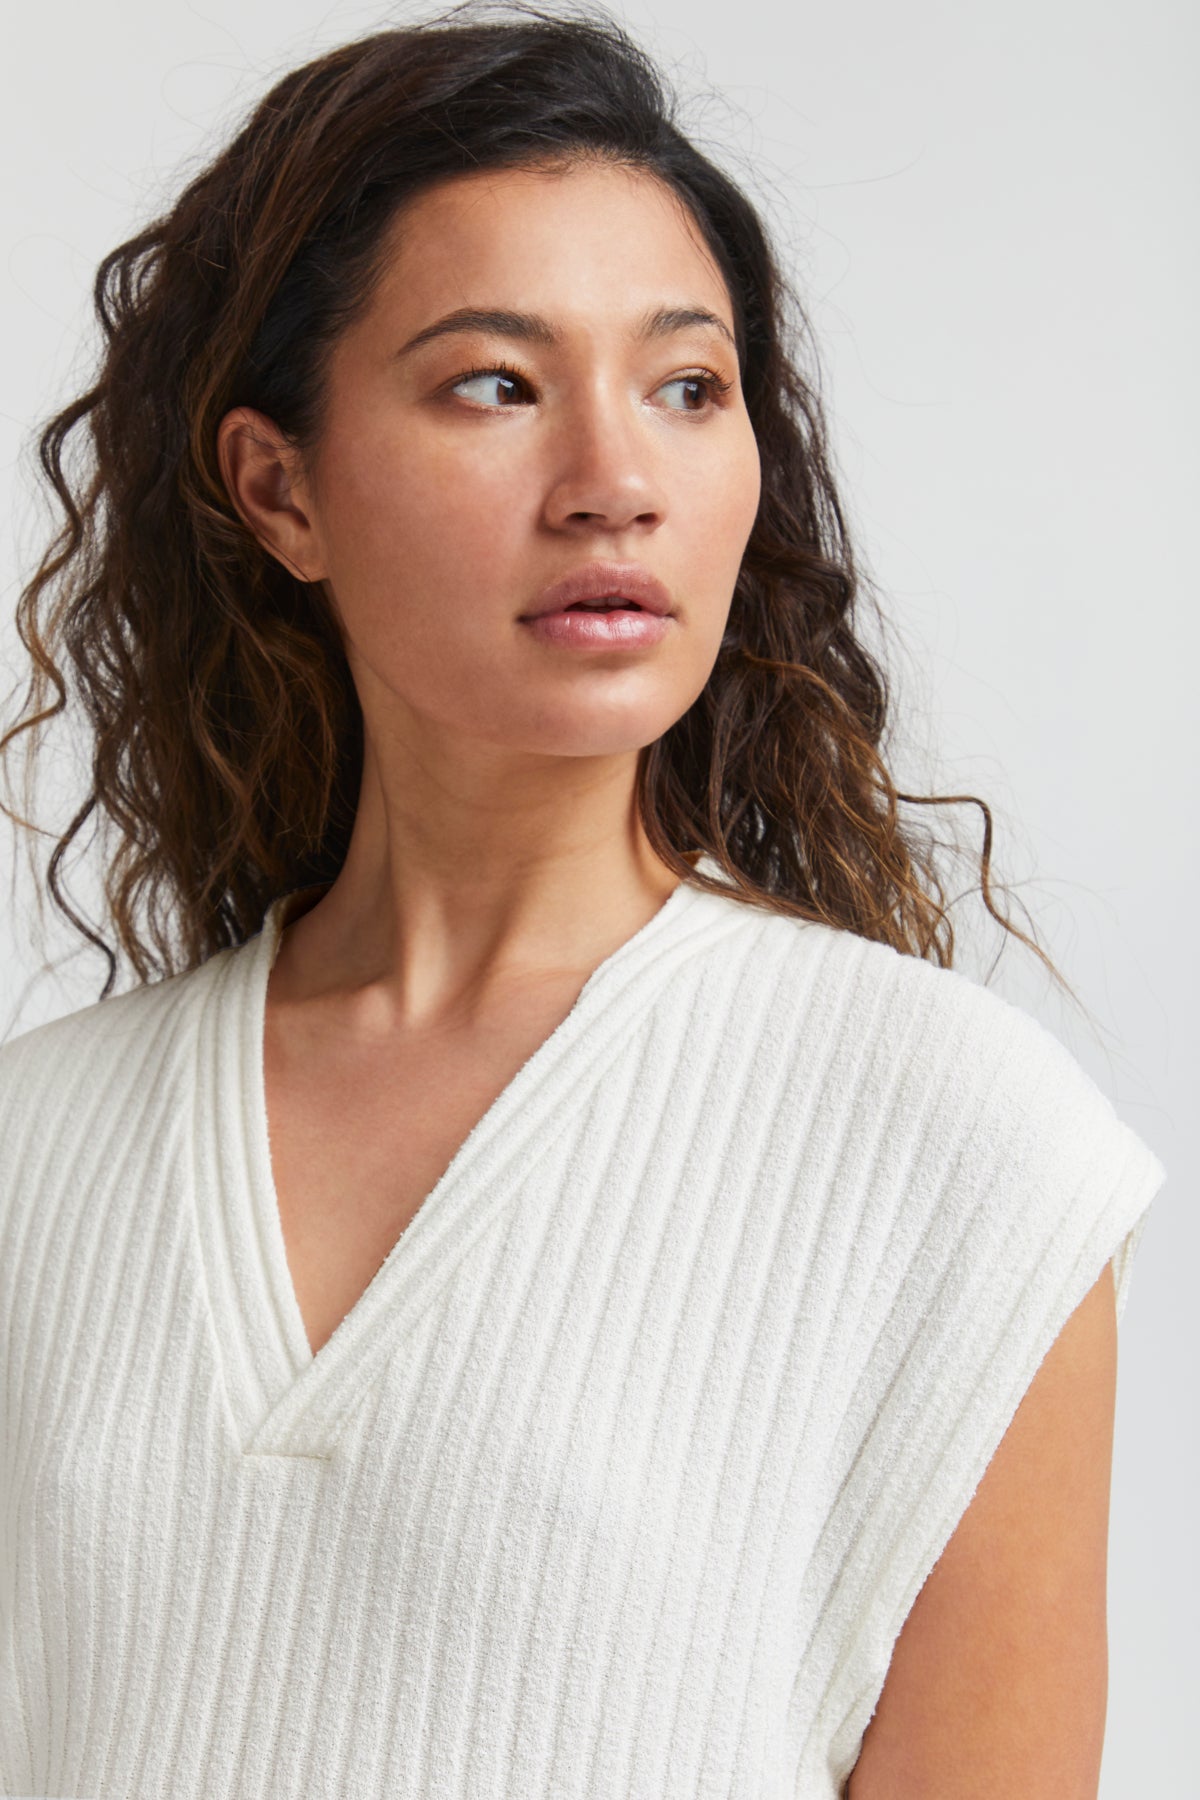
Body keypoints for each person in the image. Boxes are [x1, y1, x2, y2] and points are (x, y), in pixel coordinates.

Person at [0, 5, 1165, 1797]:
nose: (615, 484)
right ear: (279, 488)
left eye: (688, 388)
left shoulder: (954, 1144)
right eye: (497, 384)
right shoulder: (35, 1147)